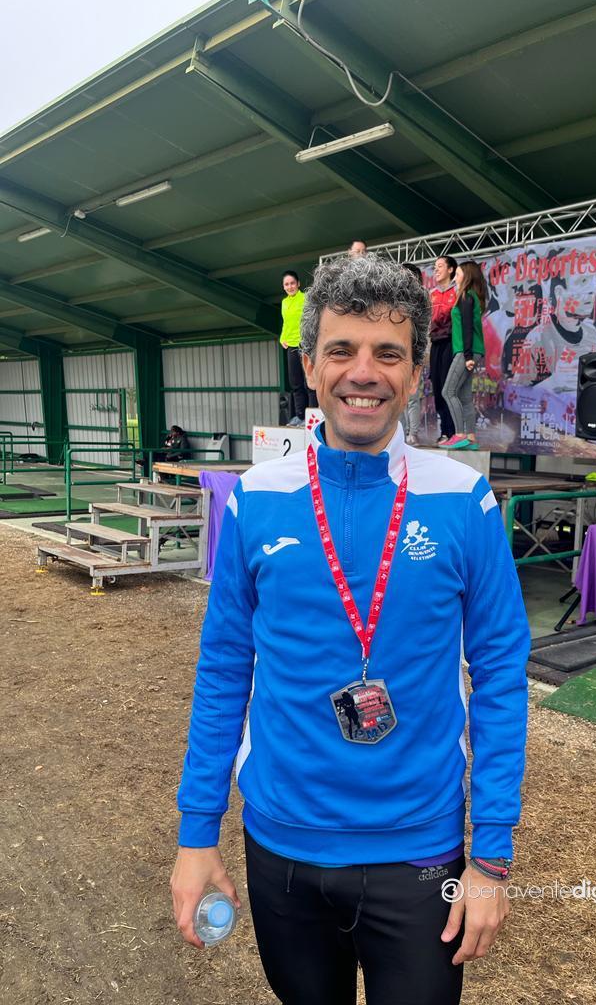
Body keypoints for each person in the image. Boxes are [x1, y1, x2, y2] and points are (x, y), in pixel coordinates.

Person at [171, 253, 530, 1005]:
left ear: (416, 372)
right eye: (341, 350)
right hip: (282, 844)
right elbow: (224, 668)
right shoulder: (256, 498)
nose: (362, 373)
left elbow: (501, 673)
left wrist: (491, 857)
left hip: (421, 849)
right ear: (310, 365)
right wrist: (197, 832)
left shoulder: (464, 498)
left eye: (387, 353)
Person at [512, 263, 596, 390]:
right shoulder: (537, 338)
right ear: (559, 292)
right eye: (583, 281)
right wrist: (554, 383)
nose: (592, 289)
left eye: (594, 279)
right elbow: (516, 393)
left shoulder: (593, 334)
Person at [441, 261, 486, 451]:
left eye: (458, 274)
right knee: (464, 396)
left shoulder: (466, 296)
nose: (455, 278)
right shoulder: (471, 296)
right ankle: (471, 437)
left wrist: (467, 356)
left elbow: (467, 327)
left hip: (466, 351)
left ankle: (459, 434)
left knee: (448, 391)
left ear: (466, 277)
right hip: (471, 350)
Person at [280, 270, 316, 426]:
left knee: (309, 381)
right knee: (295, 383)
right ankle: (300, 416)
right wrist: (282, 337)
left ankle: (313, 415)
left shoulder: (306, 298)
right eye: (286, 284)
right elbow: (286, 323)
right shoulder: (284, 303)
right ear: (283, 287)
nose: (290, 287)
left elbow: (312, 319)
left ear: (298, 284)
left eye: (292, 283)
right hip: (291, 346)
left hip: (305, 344)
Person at [430, 255, 458, 444]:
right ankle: (445, 431)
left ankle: (454, 431)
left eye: (440, 266)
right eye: (435, 266)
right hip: (435, 344)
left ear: (450, 269)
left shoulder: (457, 291)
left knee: (449, 388)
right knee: (438, 386)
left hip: (450, 343)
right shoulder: (431, 294)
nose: (436, 270)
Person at [401, 262, 424, 444]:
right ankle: (401, 434)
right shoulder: (395, 300)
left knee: (412, 397)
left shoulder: (421, 301)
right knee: (399, 396)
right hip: (398, 353)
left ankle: (413, 433)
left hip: (414, 352)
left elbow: (425, 331)